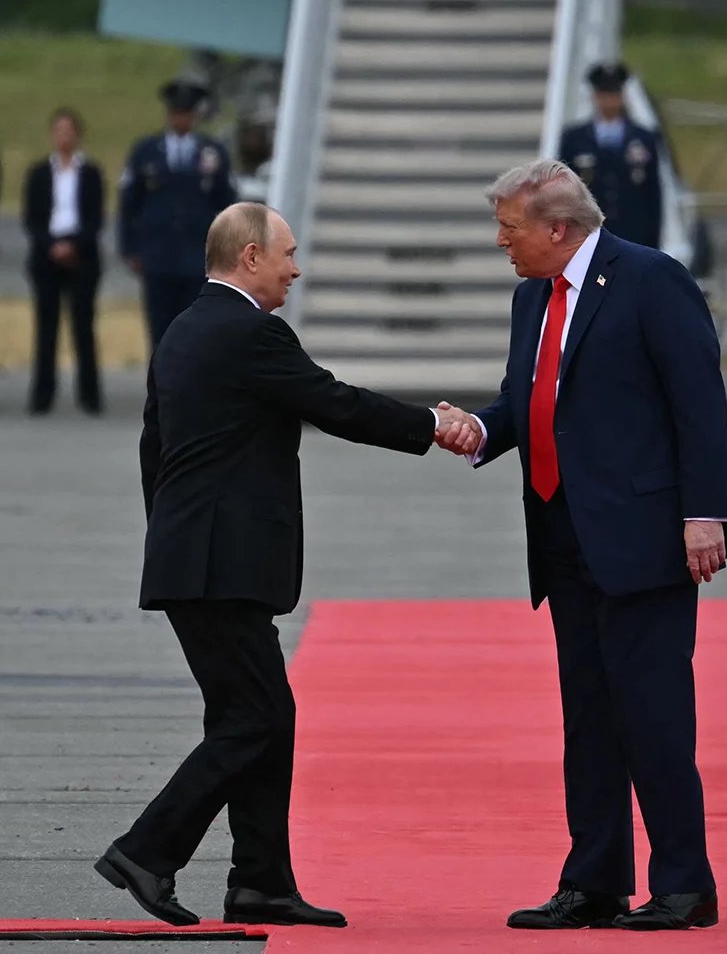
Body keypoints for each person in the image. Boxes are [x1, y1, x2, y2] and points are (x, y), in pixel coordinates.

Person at [94, 202, 477, 929]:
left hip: (197, 560)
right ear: (249, 258)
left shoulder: (182, 329)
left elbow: (156, 448)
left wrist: (173, 537)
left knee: (261, 716)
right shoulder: (251, 333)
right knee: (256, 720)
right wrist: (434, 426)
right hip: (222, 566)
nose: (295, 270)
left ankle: (261, 881)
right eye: (289, 254)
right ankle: (148, 850)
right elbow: (335, 403)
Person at [443, 160, 727, 932]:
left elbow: (697, 400)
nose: (501, 243)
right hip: (562, 532)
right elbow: (530, 398)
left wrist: (706, 512)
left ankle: (684, 883)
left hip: (644, 536)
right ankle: (595, 879)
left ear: (557, 228)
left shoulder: (649, 279)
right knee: (590, 718)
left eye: (509, 229)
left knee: (654, 715)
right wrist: (482, 430)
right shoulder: (529, 298)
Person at [117, 79, 237, 348]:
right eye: (177, 112)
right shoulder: (146, 151)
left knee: (195, 333)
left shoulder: (212, 153)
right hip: (158, 256)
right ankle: (160, 388)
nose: (181, 118)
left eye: (187, 113)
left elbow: (227, 205)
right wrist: (130, 248)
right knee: (159, 332)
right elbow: (128, 202)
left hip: (197, 257)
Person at [22, 107, 105, 416]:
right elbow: (32, 219)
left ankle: (90, 395)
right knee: (46, 328)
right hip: (47, 256)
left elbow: (96, 218)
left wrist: (74, 245)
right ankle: (42, 396)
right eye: (59, 130)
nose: (64, 136)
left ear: (78, 134)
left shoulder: (91, 172)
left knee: (83, 327)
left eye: (69, 130)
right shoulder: (39, 173)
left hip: (81, 256)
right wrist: (52, 246)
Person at [558, 62, 663, 250]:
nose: (609, 100)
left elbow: (653, 195)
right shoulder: (575, 139)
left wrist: (653, 243)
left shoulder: (643, 138)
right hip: (589, 235)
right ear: (595, 96)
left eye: (614, 93)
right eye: (604, 93)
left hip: (632, 235)